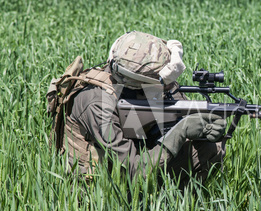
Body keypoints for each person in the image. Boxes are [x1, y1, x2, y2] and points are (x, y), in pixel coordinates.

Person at [47, 31, 226, 187]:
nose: (167, 87)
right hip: (98, 186)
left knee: (208, 148)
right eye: (161, 82)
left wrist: (203, 127)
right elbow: (135, 171)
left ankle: (177, 209)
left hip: (129, 158)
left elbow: (177, 109)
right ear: (139, 82)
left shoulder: (139, 85)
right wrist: (181, 131)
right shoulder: (98, 104)